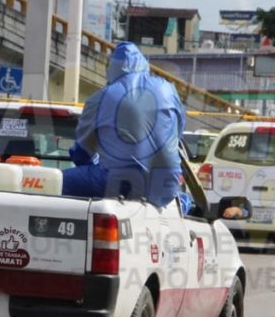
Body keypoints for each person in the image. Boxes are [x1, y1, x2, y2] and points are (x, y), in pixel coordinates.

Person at [62, 42, 186, 209]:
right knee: (184, 198)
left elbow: (82, 153)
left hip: (120, 183)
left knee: (58, 181)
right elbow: (177, 135)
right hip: (166, 186)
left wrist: (96, 163)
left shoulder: (101, 98)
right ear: (142, 64)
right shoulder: (168, 89)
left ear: (112, 68)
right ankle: (184, 204)